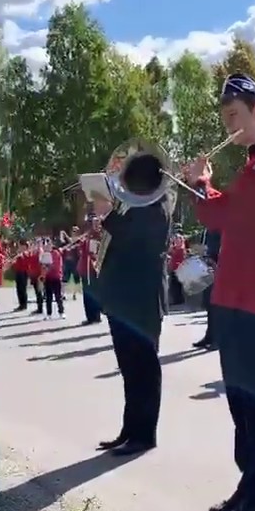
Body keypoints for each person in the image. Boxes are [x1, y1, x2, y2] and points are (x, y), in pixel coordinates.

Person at [185, 73, 255, 511]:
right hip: (235, 294)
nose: (230, 124)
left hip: (253, 294)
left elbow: (220, 212)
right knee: (239, 400)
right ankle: (249, 485)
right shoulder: (254, 165)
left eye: (236, 115)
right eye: (225, 116)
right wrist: (205, 187)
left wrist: (201, 184)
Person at [91, 156, 173, 457]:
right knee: (129, 368)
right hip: (123, 298)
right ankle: (130, 429)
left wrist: (108, 216)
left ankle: (144, 433)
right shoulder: (135, 205)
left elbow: (138, 239)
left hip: (142, 300)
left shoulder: (158, 207)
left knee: (144, 369)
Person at [192, 227, 223, 349]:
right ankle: (210, 335)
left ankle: (218, 339)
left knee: (217, 306)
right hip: (207, 267)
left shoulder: (220, 226)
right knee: (209, 304)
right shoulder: (208, 229)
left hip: (218, 268)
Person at [78, 217, 104, 325]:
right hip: (86, 268)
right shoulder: (88, 235)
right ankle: (91, 316)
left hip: (93, 268)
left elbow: (93, 253)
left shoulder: (99, 236)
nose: (96, 225)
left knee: (93, 293)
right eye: (94, 223)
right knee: (88, 293)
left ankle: (95, 316)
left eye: (98, 223)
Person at [41, 238, 65, 318]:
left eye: (48, 244)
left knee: (58, 296)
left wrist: (48, 267)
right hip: (47, 278)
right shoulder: (44, 254)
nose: (46, 246)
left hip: (56, 277)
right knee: (48, 297)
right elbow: (41, 265)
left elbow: (57, 265)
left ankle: (61, 312)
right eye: (45, 245)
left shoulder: (56, 253)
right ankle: (49, 313)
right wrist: (43, 268)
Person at [167, 228, 187, 307]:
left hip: (178, 268)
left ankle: (178, 299)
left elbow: (175, 254)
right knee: (175, 285)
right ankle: (177, 299)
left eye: (177, 239)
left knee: (176, 285)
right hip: (175, 267)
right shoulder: (177, 248)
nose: (175, 241)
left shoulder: (180, 249)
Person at [12, 240, 33, 311]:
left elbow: (26, 261)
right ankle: (21, 304)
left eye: (22, 246)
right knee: (18, 289)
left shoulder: (27, 253)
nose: (20, 247)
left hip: (24, 272)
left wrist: (21, 254)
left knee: (23, 289)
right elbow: (15, 263)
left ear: (25, 247)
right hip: (18, 272)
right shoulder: (19, 254)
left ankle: (24, 305)